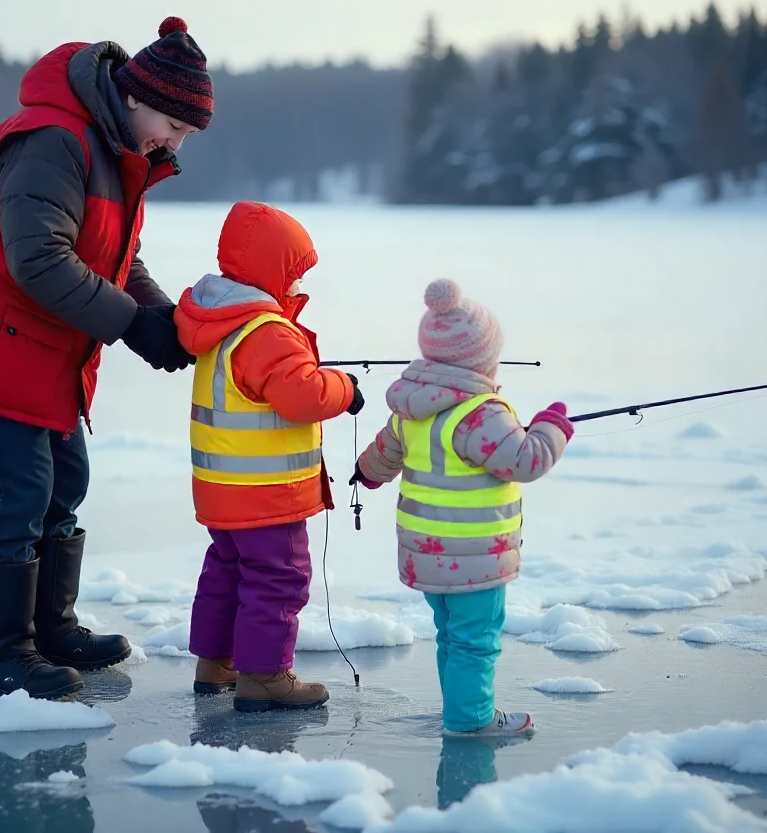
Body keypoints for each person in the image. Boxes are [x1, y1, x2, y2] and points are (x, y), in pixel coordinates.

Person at [0, 17, 212, 699]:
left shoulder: (113, 150)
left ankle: (46, 628)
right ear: (135, 98)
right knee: (13, 494)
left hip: (40, 350)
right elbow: (38, 260)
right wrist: (134, 327)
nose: (174, 144)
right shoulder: (53, 140)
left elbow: (116, 258)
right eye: (174, 127)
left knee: (62, 483)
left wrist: (163, 320)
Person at [352, 278, 573, 736]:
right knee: (476, 641)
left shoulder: (411, 409)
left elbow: (383, 454)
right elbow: (525, 460)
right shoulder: (480, 413)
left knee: (452, 637)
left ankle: (460, 707)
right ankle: (470, 719)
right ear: (483, 360)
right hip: (475, 557)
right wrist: (552, 427)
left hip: (425, 554)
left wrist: (367, 473)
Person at [173, 201, 365, 712]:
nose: (301, 287)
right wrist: (345, 388)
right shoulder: (267, 331)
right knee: (278, 576)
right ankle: (265, 676)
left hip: (222, 490)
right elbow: (302, 395)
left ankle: (216, 664)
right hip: (267, 494)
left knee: (228, 570)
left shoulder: (220, 321)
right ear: (272, 273)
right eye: (296, 275)